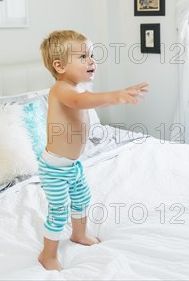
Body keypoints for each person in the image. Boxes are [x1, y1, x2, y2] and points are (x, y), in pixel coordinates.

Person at [37, 30, 149, 271]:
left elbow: (93, 100)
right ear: (59, 66)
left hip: (72, 165)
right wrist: (114, 95)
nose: (91, 61)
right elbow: (79, 103)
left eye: (92, 55)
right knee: (58, 211)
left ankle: (79, 234)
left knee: (81, 199)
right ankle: (48, 255)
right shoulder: (60, 89)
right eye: (83, 57)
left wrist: (119, 97)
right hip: (55, 168)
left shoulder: (79, 89)